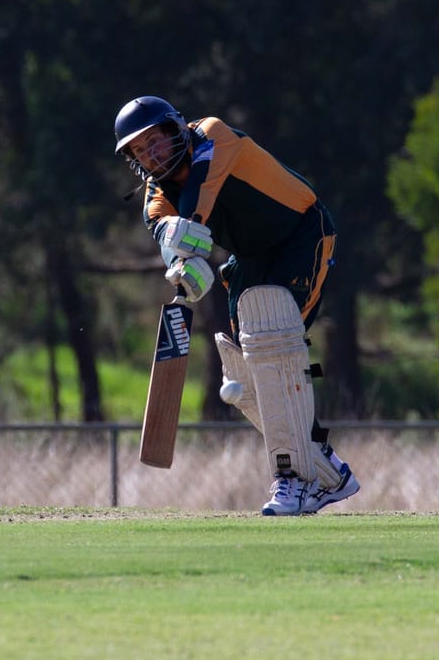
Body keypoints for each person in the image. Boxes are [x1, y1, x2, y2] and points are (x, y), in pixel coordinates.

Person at [112, 95, 360, 516]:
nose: (151, 155)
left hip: (303, 234)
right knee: (244, 377)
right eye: (139, 150)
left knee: (274, 349)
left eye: (155, 141)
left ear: (175, 130)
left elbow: (198, 197)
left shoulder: (212, 135)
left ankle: (295, 481)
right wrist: (180, 268)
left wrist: (184, 242)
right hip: (249, 259)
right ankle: (328, 472)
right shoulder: (156, 197)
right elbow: (165, 231)